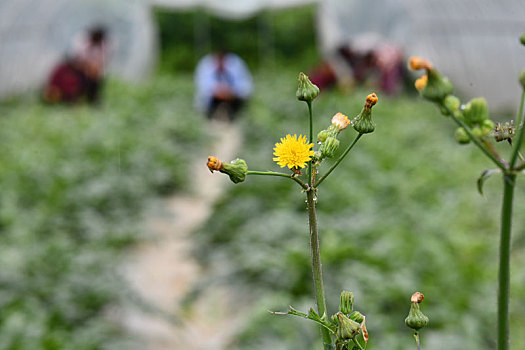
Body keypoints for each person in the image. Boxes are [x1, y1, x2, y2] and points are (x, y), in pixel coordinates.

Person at [43, 26, 109, 104]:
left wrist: (94, 69)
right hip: (81, 71)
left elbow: (100, 62)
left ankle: (92, 100)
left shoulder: (102, 46)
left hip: (88, 71)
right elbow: (79, 59)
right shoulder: (81, 42)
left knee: (94, 81)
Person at [194, 50, 253, 120]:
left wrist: (230, 93)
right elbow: (204, 89)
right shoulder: (205, 66)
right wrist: (219, 92)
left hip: (233, 100)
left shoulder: (236, 65)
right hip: (213, 102)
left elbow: (246, 88)